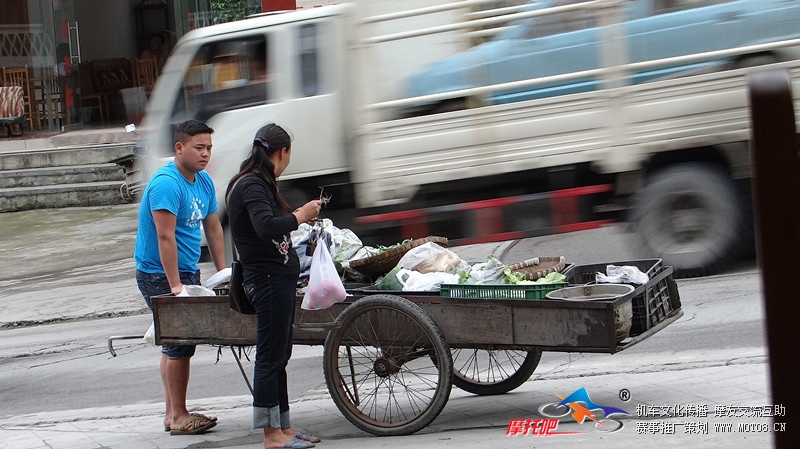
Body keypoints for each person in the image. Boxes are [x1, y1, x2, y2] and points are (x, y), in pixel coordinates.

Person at [225, 123, 322, 449]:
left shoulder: (259, 182)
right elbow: (266, 227)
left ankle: (283, 427)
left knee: (280, 354)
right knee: (269, 356)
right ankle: (271, 436)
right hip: (266, 281)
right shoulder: (251, 185)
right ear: (281, 153)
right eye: (289, 154)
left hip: (276, 279)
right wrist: (301, 215)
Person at [134, 119, 227, 435]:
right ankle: (178, 415)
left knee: (173, 342)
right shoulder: (166, 183)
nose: (205, 154)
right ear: (179, 147)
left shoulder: (203, 181)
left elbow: (213, 227)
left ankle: (171, 412)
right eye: (199, 148)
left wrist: (222, 272)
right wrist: (175, 286)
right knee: (181, 342)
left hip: (186, 270)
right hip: (157, 272)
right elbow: (165, 238)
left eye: (209, 148)